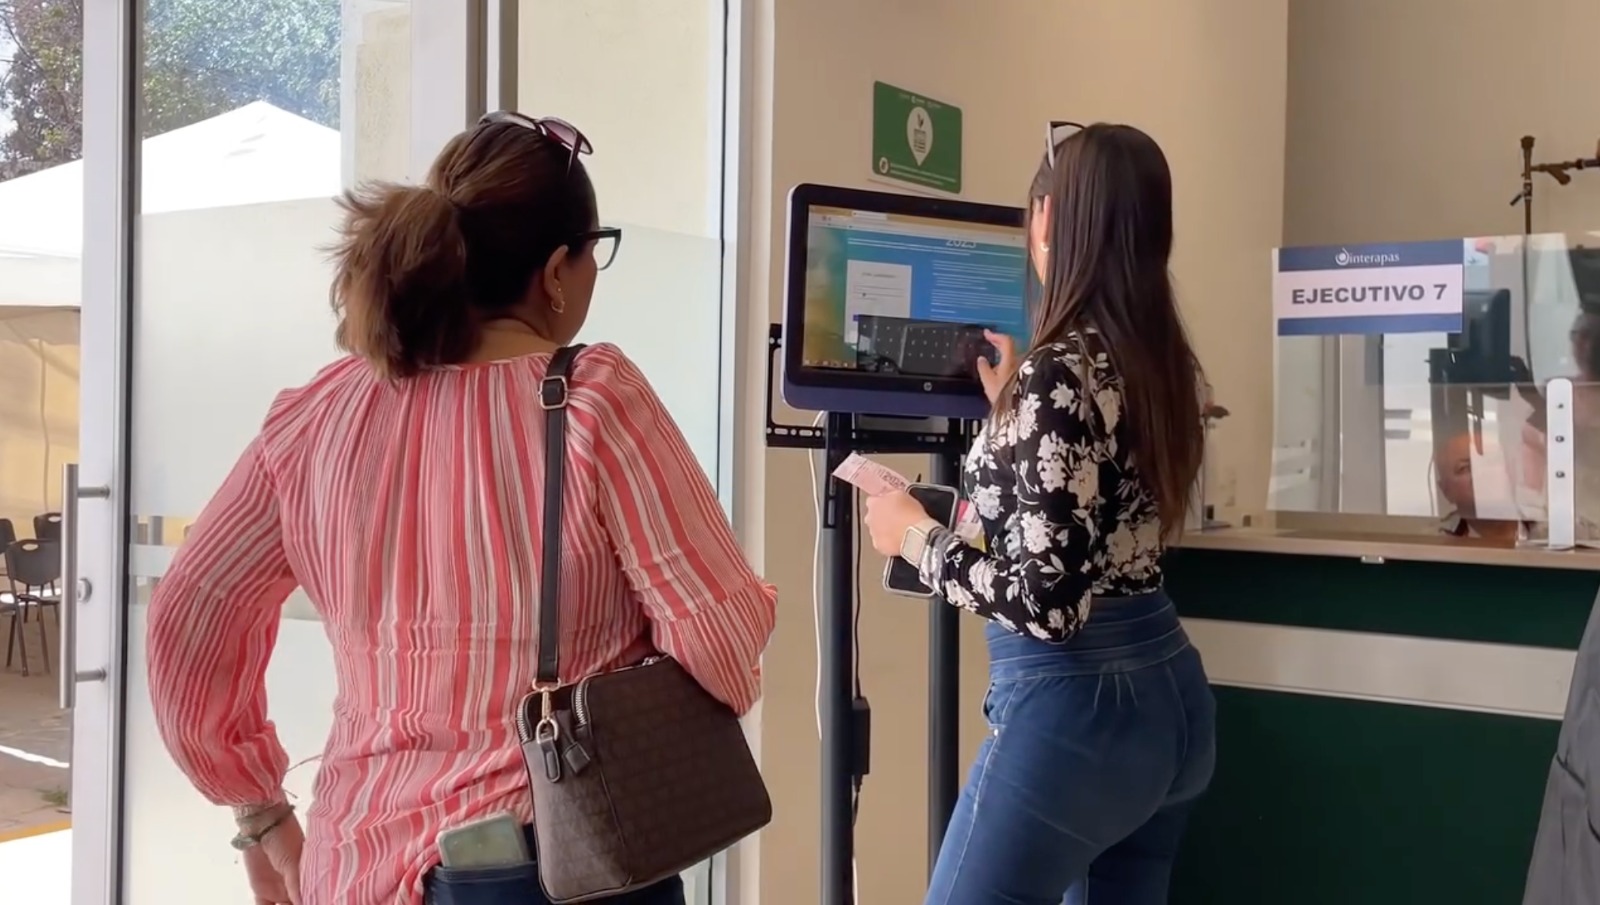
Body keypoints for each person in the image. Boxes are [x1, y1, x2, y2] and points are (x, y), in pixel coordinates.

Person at [144, 112, 778, 905]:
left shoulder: (314, 416)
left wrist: (262, 813)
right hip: (549, 864)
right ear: (556, 271)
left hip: (351, 865)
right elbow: (721, 649)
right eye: (594, 253)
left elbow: (188, 616)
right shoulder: (590, 400)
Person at [864, 122, 1217, 905]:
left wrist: (913, 537)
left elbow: (1049, 604)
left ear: (1048, 219)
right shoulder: (1153, 357)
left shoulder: (1057, 375)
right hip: (1170, 698)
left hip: (1079, 706)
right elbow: (1092, 501)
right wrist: (1012, 418)